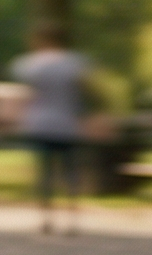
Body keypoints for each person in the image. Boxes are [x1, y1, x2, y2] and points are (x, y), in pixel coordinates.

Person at [13, 26, 94, 235]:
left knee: (45, 173)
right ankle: (71, 218)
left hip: (40, 122)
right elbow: (84, 92)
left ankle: (46, 218)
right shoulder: (75, 63)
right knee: (70, 172)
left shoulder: (30, 64)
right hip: (67, 123)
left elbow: (27, 94)